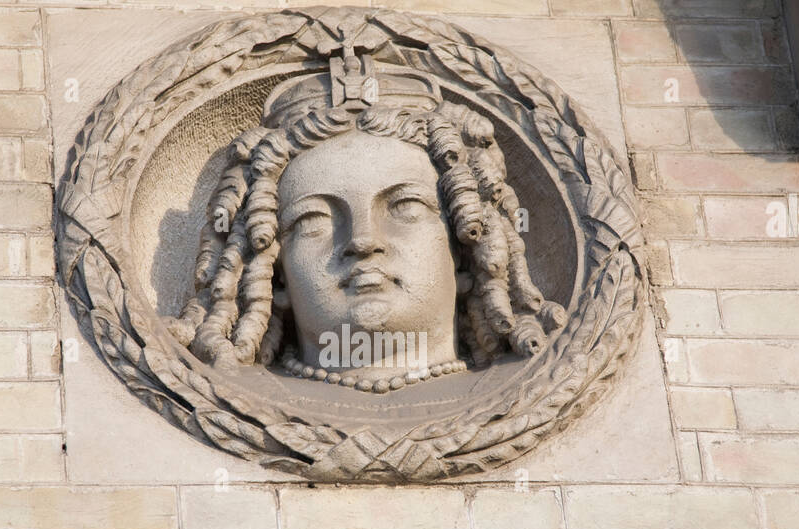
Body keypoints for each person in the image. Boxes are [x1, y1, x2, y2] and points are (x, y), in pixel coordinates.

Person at [169, 47, 564, 393]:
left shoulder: (518, 386)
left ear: (464, 251)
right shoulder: (238, 395)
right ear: (277, 276)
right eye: (314, 219)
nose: (363, 240)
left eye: (405, 206)